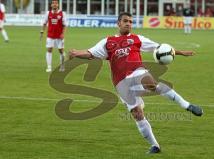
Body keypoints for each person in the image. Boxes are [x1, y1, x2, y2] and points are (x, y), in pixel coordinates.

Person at [69, 12, 203, 154]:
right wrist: (76, 53)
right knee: (137, 114)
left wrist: (181, 52)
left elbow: (160, 49)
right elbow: (91, 53)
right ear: (118, 23)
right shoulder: (107, 42)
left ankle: (187, 105)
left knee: (151, 84)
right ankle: (155, 146)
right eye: (126, 21)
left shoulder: (137, 39)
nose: (129, 24)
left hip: (137, 72)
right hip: (121, 83)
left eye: (131, 22)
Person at [40, 0, 66, 72]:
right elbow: (44, 23)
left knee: (61, 50)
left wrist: (63, 34)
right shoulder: (48, 13)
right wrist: (42, 31)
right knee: (49, 49)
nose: (54, 4)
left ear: (58, 5)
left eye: (56, 3)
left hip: (59, 36)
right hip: (50, 35)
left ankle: (62, 65)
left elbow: (64, 25)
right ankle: (49, 67)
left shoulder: (62, 13)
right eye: (53, 3)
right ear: (51, 5)